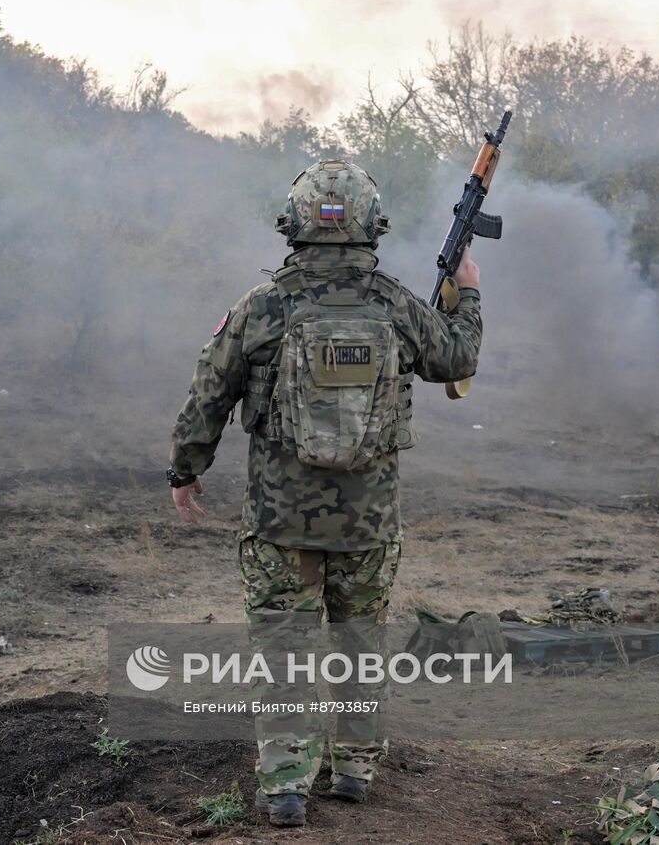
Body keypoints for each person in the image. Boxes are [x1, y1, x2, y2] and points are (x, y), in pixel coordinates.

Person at [168, 159, 484, 827]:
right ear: (372, 224)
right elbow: (457, 360)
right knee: (359, 641)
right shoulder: (394, 304)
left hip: (280, 523)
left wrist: (185, 470)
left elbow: (209, 390)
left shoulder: (263, 306)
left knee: (282, 649)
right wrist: (470, 290)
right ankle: (355, 770)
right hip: (367, 525)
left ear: (293, 224)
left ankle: (285, 784)